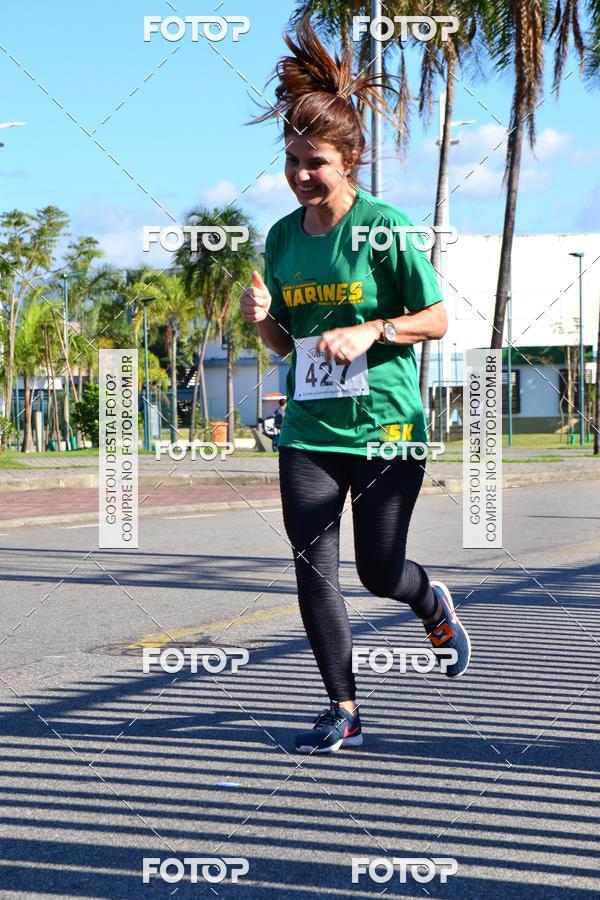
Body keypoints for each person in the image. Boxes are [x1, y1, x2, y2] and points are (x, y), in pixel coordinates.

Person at [240, 17, 471, 754]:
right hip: (310, 430)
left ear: (351, 159)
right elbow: (285, 345)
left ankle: (427, 597)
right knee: (314, 568)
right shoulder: (281, 238)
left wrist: (373, 331)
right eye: (292, 161)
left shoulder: (384, 229)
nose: (301, 175)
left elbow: (437, 318)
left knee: (377, 571)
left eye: (316, 163)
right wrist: (262, 322)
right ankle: (343, 706)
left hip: (386, 428)